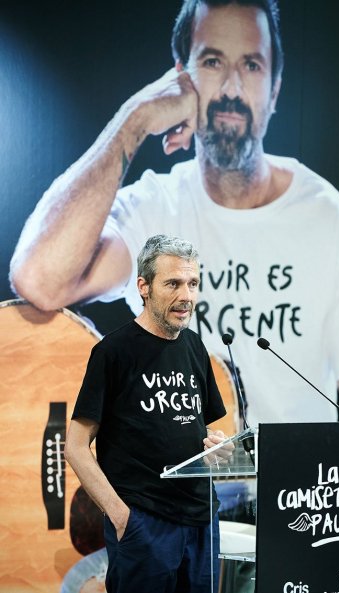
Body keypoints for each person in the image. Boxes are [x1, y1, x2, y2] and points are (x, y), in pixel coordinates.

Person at [10, 0, 339, 441]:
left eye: (251, 65)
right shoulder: (152, 210)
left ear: (274, 91)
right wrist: (136, 119)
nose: (232, 87)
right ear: (182, 77)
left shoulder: (326, 216)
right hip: (174, 506)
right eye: (213, 61)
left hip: (292, 507)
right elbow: (40, 280)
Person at [64, 234, 229, 593]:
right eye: (173, 283)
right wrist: (121, 516)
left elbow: (199, 430)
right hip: (145, 525)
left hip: (202, 520)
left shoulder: (194, 345)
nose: (186, 295)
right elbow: (75, 447)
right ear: (144, 286)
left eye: (193, 283)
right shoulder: (114, 352)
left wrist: (215, 447)